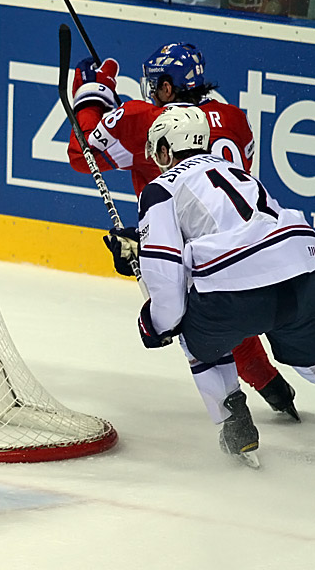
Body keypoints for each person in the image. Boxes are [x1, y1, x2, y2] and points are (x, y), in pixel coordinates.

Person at [66, 41, 299, 420]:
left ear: (168, 87)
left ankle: (235, 417)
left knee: (193, 321)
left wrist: (94, 94)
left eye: (156, 84)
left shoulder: (144, 120)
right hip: (257, 242)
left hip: (189, 250)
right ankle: (275, 388)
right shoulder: (234, 118)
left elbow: (81, 153)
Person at [133, 106, 315, 464]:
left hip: (237, 295)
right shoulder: (234, 170)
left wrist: (154, 324)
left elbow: (167, 279)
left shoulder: (160, 188)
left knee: (185, 322)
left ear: (167, 149)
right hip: (302, 272)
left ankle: (235, 424)